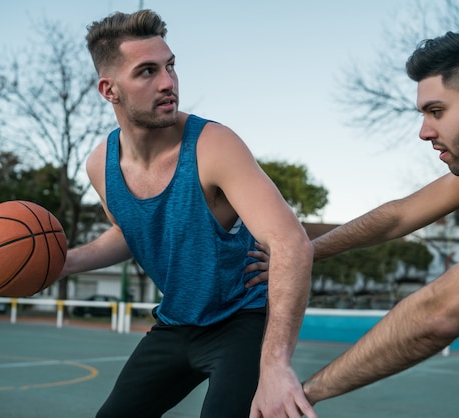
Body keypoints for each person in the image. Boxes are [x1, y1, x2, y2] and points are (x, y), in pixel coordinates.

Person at [59, 9, 316, 418]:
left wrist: (275, 365)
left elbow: (291, 242)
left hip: (241, 321)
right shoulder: (100, 166)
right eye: (146, 72)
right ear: (109, 90)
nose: (168, 83)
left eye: (171, 66)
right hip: (175, 323)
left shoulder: (214, 145)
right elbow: (132, 231)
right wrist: (67, 262)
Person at [300, 20, 459, 406]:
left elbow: (440, 313)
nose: (424, 131)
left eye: (436, 111)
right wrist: (305, 251)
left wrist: (302, 396)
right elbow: (399, 215)